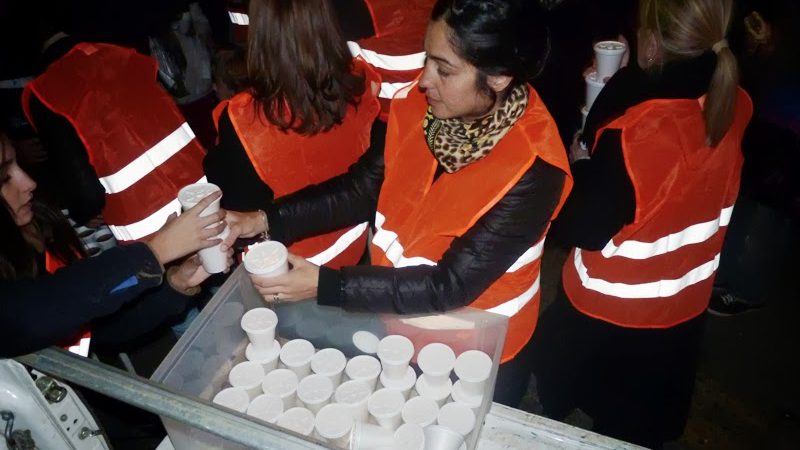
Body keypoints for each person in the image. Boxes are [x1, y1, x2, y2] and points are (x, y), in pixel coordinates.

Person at [224, 0, 572, 407]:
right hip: (398, 321)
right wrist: (265, 219)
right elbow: (362, 188)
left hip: (476, 351)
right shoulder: (419, 106)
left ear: (497, 79)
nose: (424, 80)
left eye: (444, 69)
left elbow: (450, 285)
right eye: (427, 59)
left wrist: (326, 285)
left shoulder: (533, 169)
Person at [533, 0, 752, 447]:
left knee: (564, 385)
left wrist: (581, 164)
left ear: (651, 42)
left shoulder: (636, 133)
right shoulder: (737, 102)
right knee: (640, 424)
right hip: (683, 307)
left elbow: (581, 226)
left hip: (609, 312)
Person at [0, 132, 230, 357]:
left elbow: (99, 328)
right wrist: (156, 252)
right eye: (3, 177)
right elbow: (31, 318)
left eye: (18, 165)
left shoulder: (44, 224)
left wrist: (177, 282)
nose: (29, 182)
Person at [204, 0, 381, 269]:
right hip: (355, 253)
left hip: (290, 274)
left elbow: (238, 213)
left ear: (261, 34)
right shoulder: (360, 79)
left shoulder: (242, 118)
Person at [21, 28, 206, 241]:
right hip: (199, 191)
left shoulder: (45, 93)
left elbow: (85, 193)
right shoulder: (122, 54)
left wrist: (83, 212)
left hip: (148, 228)